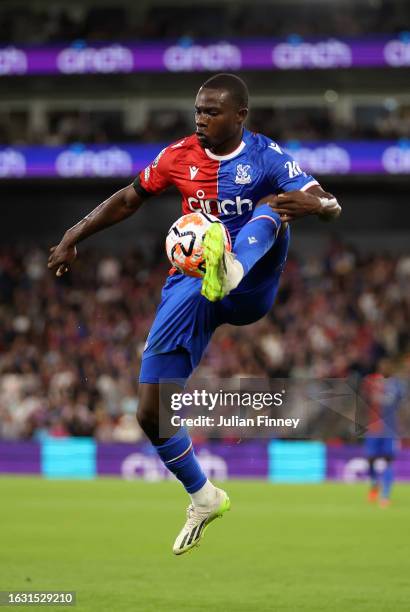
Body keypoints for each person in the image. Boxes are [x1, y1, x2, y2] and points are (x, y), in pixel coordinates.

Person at [48, 73, 341, 554]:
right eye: (198, 111)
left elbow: (330, 205)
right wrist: (72, 235)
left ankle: (232, 264)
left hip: (249, 282)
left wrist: (316, 204)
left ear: (240, 116)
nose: (201, 120)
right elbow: (127, 199)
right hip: (192, 281)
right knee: (150, 410)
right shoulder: (177, 155)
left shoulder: (267, 156)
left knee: (272, 205)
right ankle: (204, 496)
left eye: (212, 112)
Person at [362, 358, 405, 508]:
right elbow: (365, 398)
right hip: (374, 429)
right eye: (381, 366)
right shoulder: (372, 382)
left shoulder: (397, 384)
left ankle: (385, 495)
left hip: (389, 430)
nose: (384, 368)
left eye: (387, 366)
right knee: (370, 460)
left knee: (388, 461)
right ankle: (374, 483)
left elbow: (394, 401)